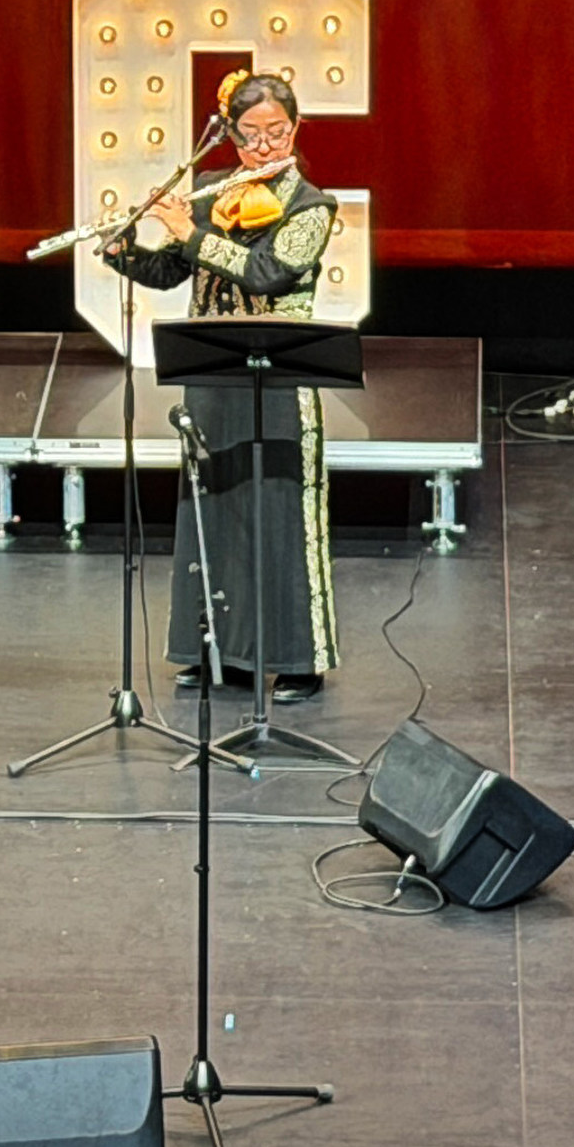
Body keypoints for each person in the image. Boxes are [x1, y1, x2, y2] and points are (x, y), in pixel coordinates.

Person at [120, 68, 342, 694]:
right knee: (212, 513)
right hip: (213, 371)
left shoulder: (312, 206)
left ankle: (298, 660)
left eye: (277, 133)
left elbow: (267, 272)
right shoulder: (215, 186)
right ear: (231, 137)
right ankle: (223, 655)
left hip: (279, 378)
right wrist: (126, 249)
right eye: (251, 136)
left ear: (295, 129)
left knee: (277, 518)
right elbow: (170, 270)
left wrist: (190, 235)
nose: (266, 148)